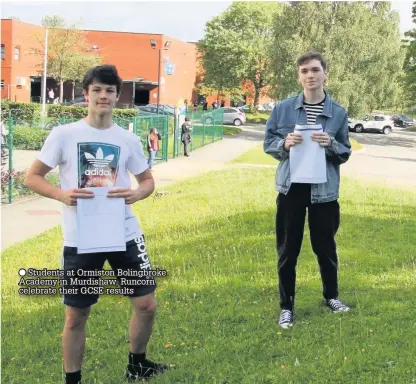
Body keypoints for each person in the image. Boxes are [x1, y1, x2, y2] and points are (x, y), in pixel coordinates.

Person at [24, 65, 174, 384]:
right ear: (87, 94)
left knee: (146, 305)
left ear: (116, 97)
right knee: (77, 314)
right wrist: (62, 194)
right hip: (82, 239)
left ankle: (138, 365)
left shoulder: (127, 139)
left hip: (124, 234)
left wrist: (136, 194)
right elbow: (32, 177)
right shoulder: (65, 135)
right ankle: (73, 380)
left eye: (109, 90)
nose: (103, 96)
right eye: (97, 90)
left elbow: (147, 181)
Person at [263, 52, 352, 329]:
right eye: (304, 71)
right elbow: (269, 143)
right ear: (299, 76)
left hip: (324, 192)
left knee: (325, 248)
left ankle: (331, 296)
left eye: (315, 70)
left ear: (325, 74)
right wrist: (284, 144)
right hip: (291, 190)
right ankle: (286, 306)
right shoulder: (283, 109)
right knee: (288, 250)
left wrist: (331, 144)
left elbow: (345, 152)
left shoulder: (337, 113)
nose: (310, 75)